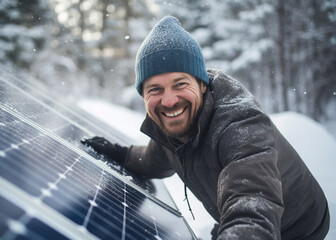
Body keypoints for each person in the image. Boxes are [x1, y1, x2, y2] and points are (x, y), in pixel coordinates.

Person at [81, 16, 329, 239]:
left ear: (202, 84)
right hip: (231, 221)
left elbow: (252, 202)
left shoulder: (240, 126)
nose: (168, 100)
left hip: (297, 228)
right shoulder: (170, 128)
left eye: (180, 84)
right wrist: (119, 153)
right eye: (155, 89)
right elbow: (151, 161)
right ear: (143, 96)